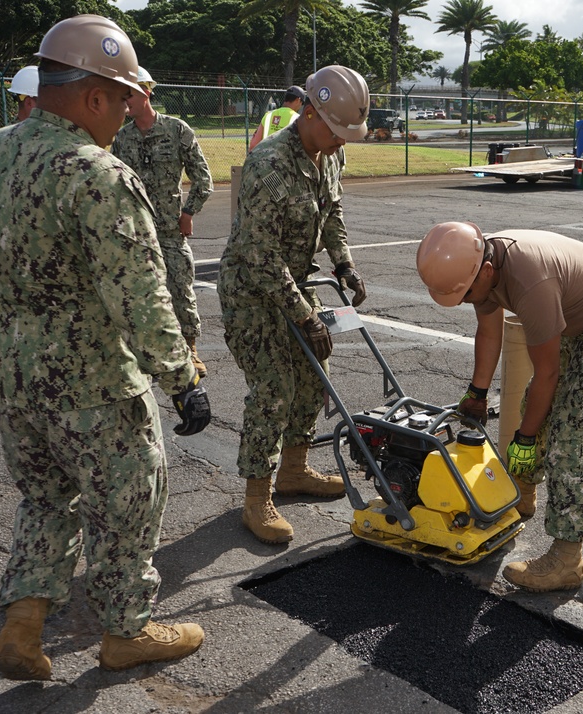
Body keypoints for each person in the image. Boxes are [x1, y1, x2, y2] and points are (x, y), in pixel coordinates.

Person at [0, 15, 212, 681]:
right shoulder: (96, 173)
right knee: (129, 502)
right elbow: (140, 296)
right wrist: (183, 378)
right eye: (125, 99)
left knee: (45, 497)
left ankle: (24, 624)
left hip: (13, 381)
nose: (130, 114)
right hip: (92, 387)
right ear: (95, 97)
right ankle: (127, 631)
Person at [416, 222, 583, 593]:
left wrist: (525, 439)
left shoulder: (530, 283)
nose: (464, 300)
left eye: (465, 294)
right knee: (534, 407)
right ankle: (522, 495)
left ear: (488, 271)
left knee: (571, 433)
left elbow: (547, 373)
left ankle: (566, 559)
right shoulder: (479, 265)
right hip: (579, 321)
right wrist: (476, 393)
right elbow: (489, 332)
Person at [218, 65, 369, 545]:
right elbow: (258, 255)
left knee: (312, 372)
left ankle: (295, 469)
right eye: (336, 130)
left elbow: (333, 212)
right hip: (252, 290)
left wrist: (343, 263)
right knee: (273, 387)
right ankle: (256, 496)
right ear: (309, 111)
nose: (342, 142)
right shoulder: (269, 165)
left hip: (295, 281)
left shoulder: (329, 156)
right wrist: (304, 315)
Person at [111, 66, 214, 377]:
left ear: (146, 92)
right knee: (135, 293)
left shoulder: (176, 129)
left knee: (180, 289)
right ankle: (142, 355)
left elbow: (203, 179)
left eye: (129, 93)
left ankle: (190, 349)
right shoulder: (122, 138)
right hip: (134, 231)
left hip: (169, 230)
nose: (125, 100)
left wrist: (188, 212)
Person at [248, 84, 305, 152]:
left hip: (265, 160)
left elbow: (253, 145)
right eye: (302, 103)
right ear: (298, 100)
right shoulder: (298, 119)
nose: (301, 106)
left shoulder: (268, 115)